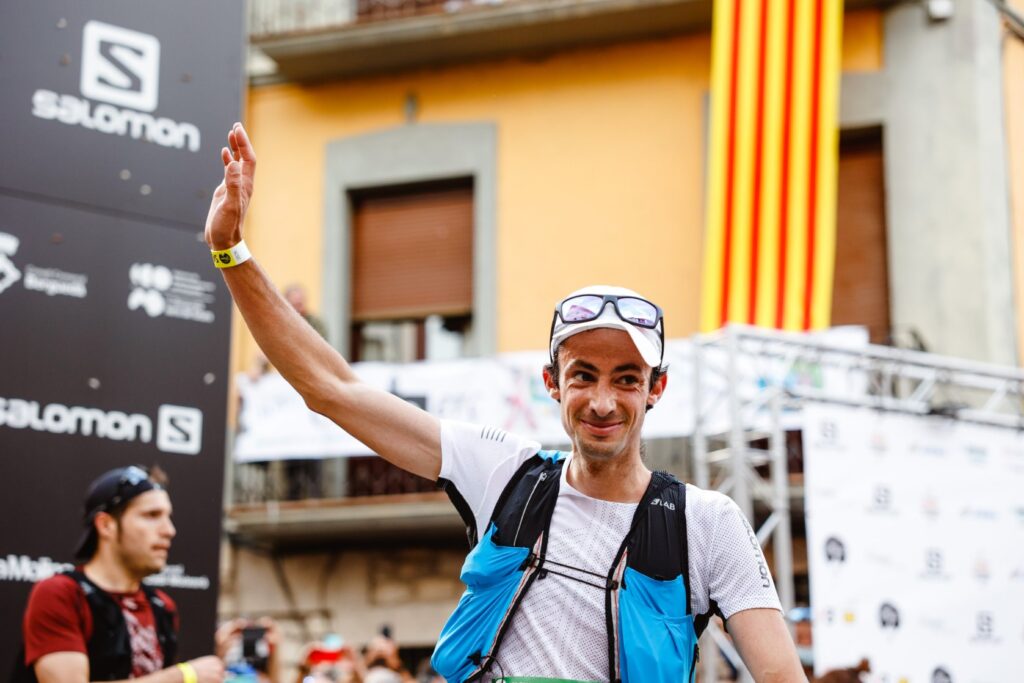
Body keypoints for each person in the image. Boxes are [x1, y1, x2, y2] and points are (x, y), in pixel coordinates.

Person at [204, 123, 806, 682]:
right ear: (552, 382)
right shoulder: (505, 471)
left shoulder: (706, 522)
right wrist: (230, 250)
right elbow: (332, 389)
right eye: (584, 375)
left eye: (626, 379)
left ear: (657, 389)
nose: (602, 402)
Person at [16, 466, 224, 683]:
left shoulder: (161, 605)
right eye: (152, 515)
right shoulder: (62, 594)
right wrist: (184, 676)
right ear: (106, 525)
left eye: (168, 517)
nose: (169, 530)